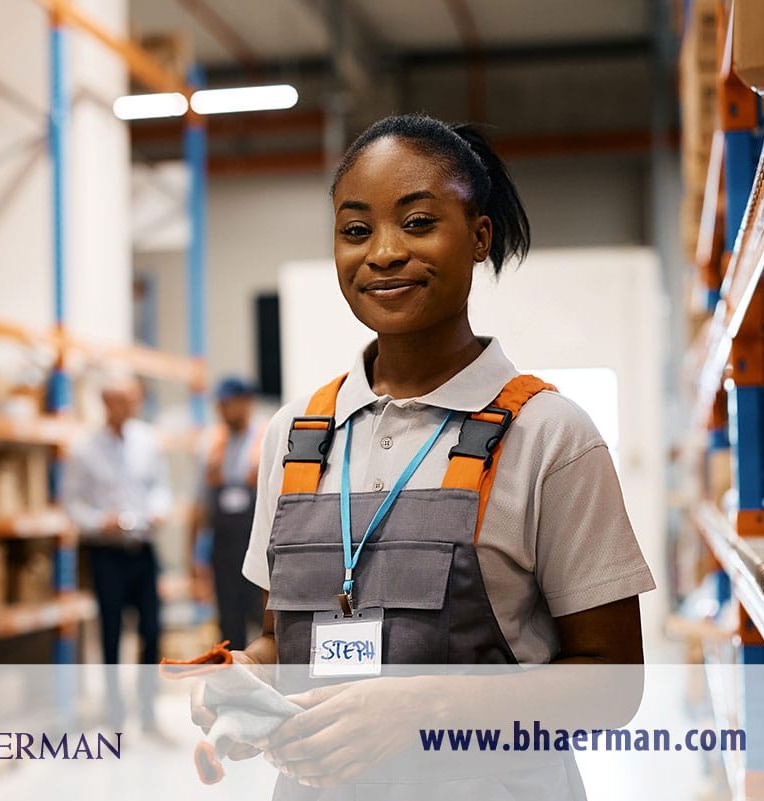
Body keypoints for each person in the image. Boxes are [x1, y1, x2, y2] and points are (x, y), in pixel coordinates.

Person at [192, 114, 657, 796]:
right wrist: (243, 680)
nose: (381, 252)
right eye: (356, 230)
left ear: (477, 237)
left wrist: (427, 710)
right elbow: (279, 638)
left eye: (415, 223)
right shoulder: (294, 435)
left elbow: (613, 684)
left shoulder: (550, 435)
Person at [62, 372, 172, 733]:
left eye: (134, 400)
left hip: (142, 548)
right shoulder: (84, 448)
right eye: (123, 400)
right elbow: (72, 503)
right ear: (107, 402)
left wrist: (158, 509)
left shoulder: (147, 440)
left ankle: (147, 710)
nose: (130, 407)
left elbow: (160, 486)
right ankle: (114, 714)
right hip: (106, 553)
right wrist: (99, 521)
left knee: (152, 630)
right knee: (110, 634)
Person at [187, 377, 266, 649]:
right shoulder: (211, 446)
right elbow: (199, 507)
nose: (223, 410)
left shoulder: (267, 440)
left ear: (246, 403)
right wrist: (193, 560)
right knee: (229, 625)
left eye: (228, 404)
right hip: (224, 550)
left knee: (264, 620)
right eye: (219, 405)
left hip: (258, 545)